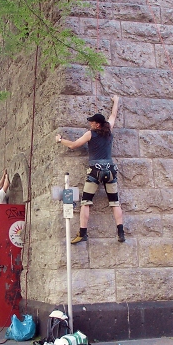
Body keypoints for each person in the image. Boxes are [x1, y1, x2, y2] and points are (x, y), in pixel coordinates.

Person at [56, 95, 125, 243]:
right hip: (110, 170)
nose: (91, 124)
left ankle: (82, 233)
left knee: (86, 202)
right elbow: (113, 115)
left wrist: (60, 140)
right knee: (115, 203)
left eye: (93, 122)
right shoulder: (109, 130)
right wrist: (116, 101)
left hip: (95, 171)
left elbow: (74, 145)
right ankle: (121, 232)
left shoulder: (90, 134)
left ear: (98, 125)